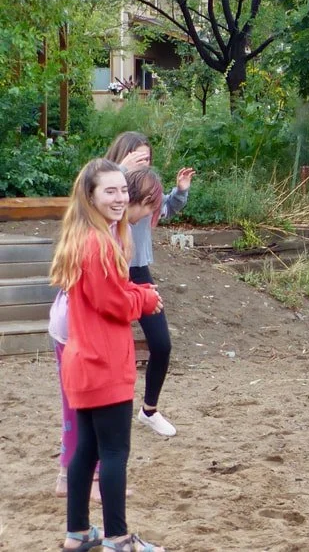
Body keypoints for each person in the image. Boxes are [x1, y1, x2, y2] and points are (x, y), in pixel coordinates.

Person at [51, 158, 166, 552]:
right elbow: (114, 303)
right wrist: (146, 296)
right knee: (115, 452)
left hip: (83, 362)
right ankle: (119, 539)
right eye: (110, 191)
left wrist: (135, 295)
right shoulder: (98, 243)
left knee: (86, 449)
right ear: (91, 196)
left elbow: (107, 298)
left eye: (122, 190)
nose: (120, 199)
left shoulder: (85, 237)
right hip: (103, 364)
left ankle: (79, 532)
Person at [105, 131, 195, 437]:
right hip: (107, 272)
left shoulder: (144, 195)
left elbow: (164, 208)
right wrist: (122, 170)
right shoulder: (108, 190)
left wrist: (179, 192)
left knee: (161, 344)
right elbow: (90, 194)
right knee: (110, 350)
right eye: (137, 158)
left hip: (138, 271)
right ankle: (104, 411)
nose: (144, 164)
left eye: (147, 159)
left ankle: (149, 411)